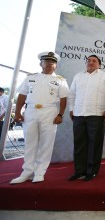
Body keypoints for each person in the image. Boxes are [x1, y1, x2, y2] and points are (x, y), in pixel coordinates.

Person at [10, 52, 69, 184]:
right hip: (30, 111)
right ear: (40, 64)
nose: (49, 64)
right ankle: (27, 172)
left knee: (46, 143)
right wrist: (18, 112)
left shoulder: (60, 80)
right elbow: (22, 95)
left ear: (56, 66)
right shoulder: (31, 78)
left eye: (52, 62)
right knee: (30, 143)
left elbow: (64, 99)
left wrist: (60, 114)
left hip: (49, 112)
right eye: (46, 61)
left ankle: (39, 172)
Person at [67, 55, 105, 181]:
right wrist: (71, 109)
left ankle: (91, 171)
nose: (91, 62)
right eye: (88, 60)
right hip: (79, 114)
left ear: (99, 64)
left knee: (94, 144)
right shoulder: (78, 76)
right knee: (79, 144)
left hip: (97, 115)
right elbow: (72, 94)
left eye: (94, 61)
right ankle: (79, 171)